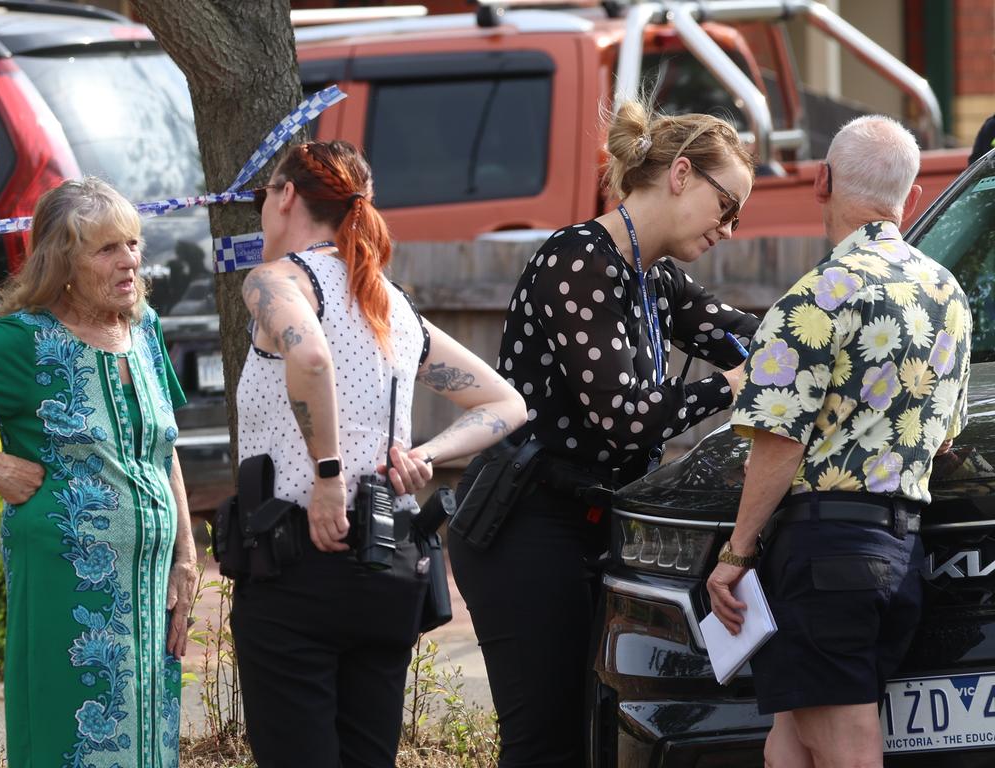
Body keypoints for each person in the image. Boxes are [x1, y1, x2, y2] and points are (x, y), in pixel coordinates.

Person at [448, 101, 760, 767]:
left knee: (596, 738)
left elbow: (742, 335)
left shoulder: (654, 276)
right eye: (726, 205)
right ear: (680, 174)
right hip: (525, 524)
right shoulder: (579, 262)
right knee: (547, 744)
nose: (731, 229)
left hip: (592, 521)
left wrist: (817, 333)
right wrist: (727, 388)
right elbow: (625, 415)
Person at [229, 139, 526, 768]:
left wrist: (328, 476)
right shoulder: (391, 303)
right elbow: (505, 404)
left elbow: (309, 356)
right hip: (387, 565)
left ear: (285, 197)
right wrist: (425, 453)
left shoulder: (277, 281)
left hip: (297, 559)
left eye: (264, 197)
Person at [708, 116, 972, 768]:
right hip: (902, 549)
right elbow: (941, 437)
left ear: (820, 181)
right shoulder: (948, 295)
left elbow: (778, 442)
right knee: (793, 738)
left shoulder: (813, 299)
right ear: (910, 198)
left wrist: (736, 553)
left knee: (846, 746)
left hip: (824, 550)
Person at [0, 177, 198, 766]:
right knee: (66, 741)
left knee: (147, 742)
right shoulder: (24, 343)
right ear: (63, 261)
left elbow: (162, 445)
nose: (130, 262)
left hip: (150, 588)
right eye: (107, 249)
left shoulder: (143, 329)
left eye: (133, 243)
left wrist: (186, 556)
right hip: (65, 589)